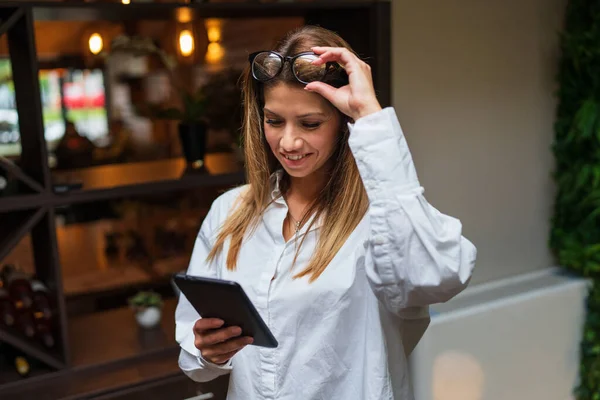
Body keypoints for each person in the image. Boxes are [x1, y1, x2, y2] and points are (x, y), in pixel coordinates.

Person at [175, 26, 477, 400]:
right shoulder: (229, 211)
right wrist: (208, 352)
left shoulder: (380, 220)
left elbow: (438, 275)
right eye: (274, 121)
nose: (288, 142)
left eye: (310, 124)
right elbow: (195, 362)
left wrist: (371, 117)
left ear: (343, 124)